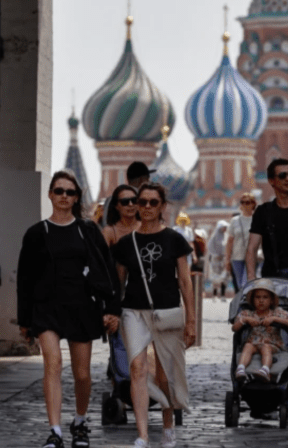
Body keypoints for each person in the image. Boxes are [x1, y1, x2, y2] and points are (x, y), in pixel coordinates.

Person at [17, 170, 121, 448]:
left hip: (81, 306)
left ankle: (80, 420)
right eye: (59, 191)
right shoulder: (37, 233)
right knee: (53, 363)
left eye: (70, 192)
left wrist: (112, 308)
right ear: (50, 194)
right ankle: (55, 431)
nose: (64, 196)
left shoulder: (87, 231)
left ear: (76, 197)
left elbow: (106, 270)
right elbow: (25, 279)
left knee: (82, 374)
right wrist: (24, 320)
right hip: (46, 308)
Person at [112, 183, 196, 448]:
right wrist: (112, 313)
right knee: (137, 368)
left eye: (153, 202)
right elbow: (119, 283)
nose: (147, 207)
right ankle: (143, 434)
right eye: (142, 202)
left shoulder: (174, 239)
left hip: (167, 311)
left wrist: (191, 319)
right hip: (134, 312)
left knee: (164, 371)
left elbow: (184, 280)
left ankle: (168, 426)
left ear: (162, 206)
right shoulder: (127, 243)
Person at [232, 279, 288, 382]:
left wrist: (274, 319)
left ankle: (265, 369)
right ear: (252, 299)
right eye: (258, 297)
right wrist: (245, 320)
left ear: (272, 300)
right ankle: (241, 368)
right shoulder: (247, 314)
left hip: (272, 344)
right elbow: (234, 328)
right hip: (253, 343)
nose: (261, 300)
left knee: (265, 347)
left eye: (265, 297)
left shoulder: (277, 313)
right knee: (247, 346)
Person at [99, 162, 155, 228]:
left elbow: (105, 224)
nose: (149, 183)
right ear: (141, 180)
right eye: (147, 179)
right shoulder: (142, 201)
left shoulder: (109, 199)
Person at [224, 193, 256, 292]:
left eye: (248, 202)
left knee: (245, 283)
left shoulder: (258, 220)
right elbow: (230, 241)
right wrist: (227, 260)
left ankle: (246, 305)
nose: (246, 205)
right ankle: (243, 306)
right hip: (237, 257)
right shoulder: (235, 221)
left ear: (253, 204)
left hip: (252, 257)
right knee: (239, 284)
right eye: (243, 202)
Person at [207, 221, 230, 298]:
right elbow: (210, 246)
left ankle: (223, 294)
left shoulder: (226, 236)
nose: (225, 229)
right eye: (224, 227)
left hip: (223, 259)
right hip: (215, 259)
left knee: (225, 276)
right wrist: (215, 255)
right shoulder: (214, 236)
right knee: (215, 277)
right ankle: (214, 293)